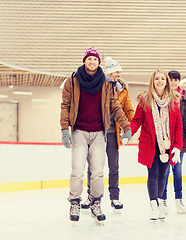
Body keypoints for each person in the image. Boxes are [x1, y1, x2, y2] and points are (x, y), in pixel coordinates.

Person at [60, 47, 132, 223]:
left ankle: (96, 202)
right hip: (79, 131)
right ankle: (75, 202)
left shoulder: (106, 82)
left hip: (100, 132)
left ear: (99, 63)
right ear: (84, 61)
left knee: (98, 172)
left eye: (95, 59)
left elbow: (115, 107)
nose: (92, 62)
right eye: (89, 59)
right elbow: (65, 105)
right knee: (77, 170)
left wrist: (126, 127)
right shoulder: (73, 80)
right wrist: (64, 129)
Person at [81, 57, 135, 213]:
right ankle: (91, 197)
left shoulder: (122, 89)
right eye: (116, 71)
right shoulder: (99, 85)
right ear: (109, 72)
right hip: (98, 131)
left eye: (119, 72)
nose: (118, 74)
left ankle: (114, 197)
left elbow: (129, 111)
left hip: (113, 133)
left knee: (114, 166)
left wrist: (130, 128)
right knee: (93, 167)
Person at [130, 69, 183, 221]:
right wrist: (128, 133)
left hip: (167, 145)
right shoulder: (145, 100)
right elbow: (137, 121)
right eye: (157, 79)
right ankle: (153, 206)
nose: (160, 81)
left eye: (162, 79)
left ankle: (159, 203)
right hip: (150, 144)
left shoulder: (174, 101)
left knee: (163, 176)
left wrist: (178, 146)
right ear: (152, 82)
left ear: (166, 82)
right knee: (153, 175)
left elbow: (178, 126)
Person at [161, 70, 186, 215]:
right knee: (165, 171)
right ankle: (163, 200)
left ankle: (179, 200)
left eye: (176, 80)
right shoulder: (162, 96)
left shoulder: (184, 99)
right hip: (166, 140)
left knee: (178, 171)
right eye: (171, 80)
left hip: (180, 141)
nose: (173, 83)